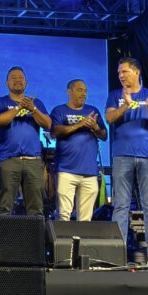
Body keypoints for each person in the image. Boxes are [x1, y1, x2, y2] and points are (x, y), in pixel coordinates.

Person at [105, 57, 148, 267]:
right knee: (121, 206)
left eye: (124, 71)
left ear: (137, 72)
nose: (121, 76)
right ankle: (118, 251)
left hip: (147, 156)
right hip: (122, 155)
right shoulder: (115, 95)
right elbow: (110, 118)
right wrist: (125, 104)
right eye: (119, 73)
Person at [0, 66, 52, 216]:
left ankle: (34, 233)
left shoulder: (36, 103)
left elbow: (48, 124)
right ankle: (1, 232)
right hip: (7, 160)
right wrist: (18, 108)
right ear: (7, 83)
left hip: (33, 160)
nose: (18, 80)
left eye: (20, 78)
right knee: (3, 208)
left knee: (36, 209)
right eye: (14, 78)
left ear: (26, 82)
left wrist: (33, 109)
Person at [49, 79, 107, 222]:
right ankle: (63, 238)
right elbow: (55, 132)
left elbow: (104, 135)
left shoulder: (93, 111)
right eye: (79, 90)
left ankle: (82, 238)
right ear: (69, 91)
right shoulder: (59, 111)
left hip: (89, 171)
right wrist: (80, 124)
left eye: (85, 91)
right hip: (66, 170)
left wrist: (95, 127)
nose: (83, 94)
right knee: (64, 215)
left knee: (86, 219)